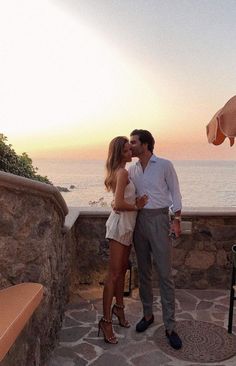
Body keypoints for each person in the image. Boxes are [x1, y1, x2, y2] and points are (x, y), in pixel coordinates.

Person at [129, 129, 182, 350]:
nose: (130, 146)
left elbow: (176, 192)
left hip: (160, 218)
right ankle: (148, 314)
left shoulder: (164, 165)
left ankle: (170, 326)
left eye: (134, 142)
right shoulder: (132, 169)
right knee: (143, 271)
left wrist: (176, 219)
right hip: (139, 221)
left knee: (164, 274)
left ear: (146, 144)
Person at [98, 136, 148, 344]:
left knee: (122, 272)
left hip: (126, 227)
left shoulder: (120, 172)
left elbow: (118, 201)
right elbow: (118, 204)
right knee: (114, 275)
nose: (130, 153)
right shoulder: (123, 172)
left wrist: (134, 203)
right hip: (120, 227)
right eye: (127, 150)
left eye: (130, 149)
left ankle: (119, 310)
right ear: (120, 154)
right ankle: (106, 321)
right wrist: (137, 205)